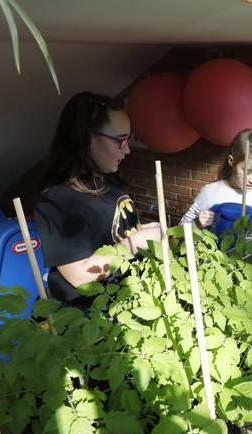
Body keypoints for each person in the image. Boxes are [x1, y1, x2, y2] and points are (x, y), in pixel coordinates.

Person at [34, 91, 161, 309]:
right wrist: (134, 243)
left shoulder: (107, 183)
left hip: (129, 303)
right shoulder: (57, 201)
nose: (128, 149)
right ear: (87, 138)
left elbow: (115, 232)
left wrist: (143, 232)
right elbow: (80, 276)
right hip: (93, 320)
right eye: (121, 140)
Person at [179, 128, 252, 229]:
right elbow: (179, 231)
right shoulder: (210, 193)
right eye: (247, 172)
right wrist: (196, 223)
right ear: (231, 161)